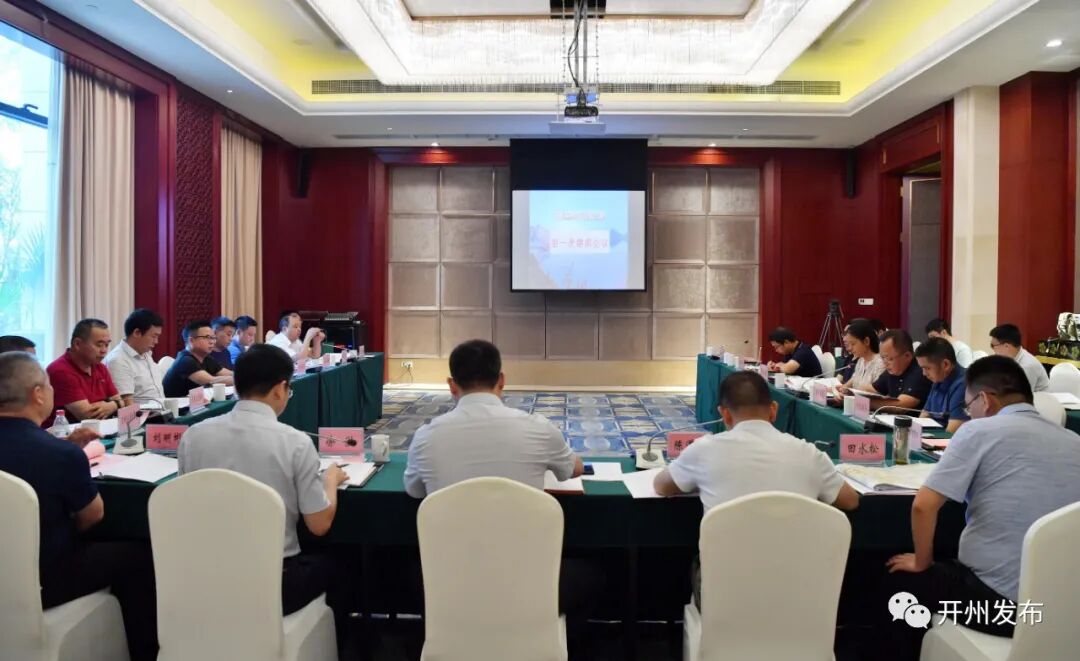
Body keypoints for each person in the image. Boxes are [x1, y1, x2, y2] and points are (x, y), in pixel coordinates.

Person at [882, 356, 1080, 660]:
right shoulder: (1074, 441)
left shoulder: (978, 431)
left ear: (985, 400)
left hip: (1002, 609)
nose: (968, 414)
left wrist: (922, 561)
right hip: (1065, 607)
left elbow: (923, 506)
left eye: (968, 406)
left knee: (901, 583)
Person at [403, 340, 593, 640]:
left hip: (451, 588)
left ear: (452, 385)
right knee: (593, 575)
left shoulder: (426, 437)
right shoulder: (538, 428)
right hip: (529, 587)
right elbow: (573, 469)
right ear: (501, 380)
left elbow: (414, 491)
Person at [653, 371, 859, 607]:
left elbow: (662, 486)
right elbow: (850, 500)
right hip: (800, 597)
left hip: (727, 599)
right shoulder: (809, 454)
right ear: (773, 410)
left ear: (724, 414)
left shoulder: (703, 450)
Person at [0, 352, 158, 660]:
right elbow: (92, 516)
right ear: (38, 394)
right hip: (42, 578)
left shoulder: (59, 451)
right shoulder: (59, 455)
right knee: (138, 554)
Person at [178, 343, 346, 615]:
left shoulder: (193, 436)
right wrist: (330, 480)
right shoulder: (295, 442)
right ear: (280, 389)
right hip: (274, 582)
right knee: (342, 565)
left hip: (204, 578)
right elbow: (318, 525)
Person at [45, 319, 123, 426]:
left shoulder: (100, 368)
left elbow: (121, 402)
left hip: (100, 429)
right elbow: (89, 416)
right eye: (99, 345)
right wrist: (114, 404)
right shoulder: (60, 370)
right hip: (67, 433)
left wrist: (112, 405)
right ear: (77, 344)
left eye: (106, 345)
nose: (104, 350)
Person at [104, 308, 166, 408]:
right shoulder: (118, 361)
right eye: (154, 336)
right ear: (137, 333)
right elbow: (127, 406)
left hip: (163, 410)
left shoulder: (146, 353)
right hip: (144, 415)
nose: (156, 341)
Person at [161, 320, 234, 398]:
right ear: (191, 340)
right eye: (207, 337)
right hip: (177, 404)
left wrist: (241, 375)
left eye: (213, 338)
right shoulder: (185, 360)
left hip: (195, 402)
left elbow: (227, 373)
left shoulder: (206, 358)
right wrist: (240, 379)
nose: (212, 342)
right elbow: (211, 381)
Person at [866, 330, 932, 412]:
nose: (885, 363)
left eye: (890, 359)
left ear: (907, 356)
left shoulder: (921, 371)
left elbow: (900, 406)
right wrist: (853, 393)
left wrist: (867, 402)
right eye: (883, 358)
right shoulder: (893, 370)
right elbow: (870, 389)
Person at [914, 338, 969, 433]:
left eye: (927, 368)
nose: (924, 373)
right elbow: (925, 415)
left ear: (945, 364)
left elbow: (951, 433)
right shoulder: (939, 378)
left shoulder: (964, 385)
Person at [989, 323, 1049, 393]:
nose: (993, 349)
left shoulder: (1027, 366)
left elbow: (1021, 396)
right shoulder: (1010, 359)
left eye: (993, 345)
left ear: (1006, 346)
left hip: (1038, 399)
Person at [836, 319, 885, 393]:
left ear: (866, 341)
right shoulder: (861, 361)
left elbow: (876, 394)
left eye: (853, 344)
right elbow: (853, 382)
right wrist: (842, 389)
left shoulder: (880, 364)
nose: (850, 348)